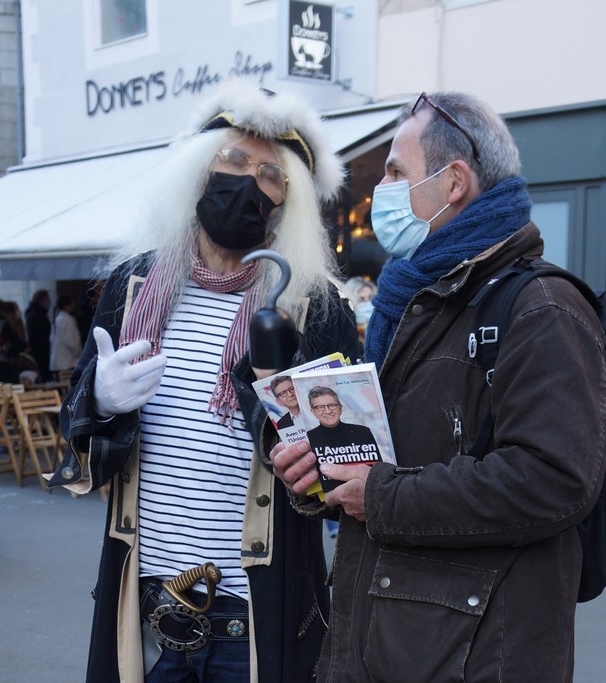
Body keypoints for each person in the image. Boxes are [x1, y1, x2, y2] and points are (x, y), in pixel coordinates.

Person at [272, 91, 606, 682]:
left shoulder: (541, 308)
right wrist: (321, 470)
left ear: (453, 182)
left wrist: (377, 495)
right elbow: (395, 456)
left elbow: (554, 479)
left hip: (471, 655)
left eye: (396, 172)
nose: (382, 190)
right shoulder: (416, 300)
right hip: (397, 640)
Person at [49, 84, 359, 683]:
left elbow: (342, 467)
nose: (248, 181)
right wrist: (100, 402)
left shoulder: (313, 308)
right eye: (235, 161)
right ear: (200, 171)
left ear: (286, 199)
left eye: (271, 174)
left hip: (254, 611)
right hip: (146, 608)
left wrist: (279, 404)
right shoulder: (133, 288)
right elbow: (80, 441)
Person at [304, 386, 379, 459]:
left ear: (340, 408)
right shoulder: (309, 438)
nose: (328, 411)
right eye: (320, 407)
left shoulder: (363, 432)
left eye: (332, 405)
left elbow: (378, 467)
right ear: (313, 412)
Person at [49, 294, 82, 376]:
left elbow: (51, 339)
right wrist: (78, 352)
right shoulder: (69, 320)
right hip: (68, 361)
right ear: (67, 306)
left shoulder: (57, 319)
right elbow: (70, 341)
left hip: (58, 360)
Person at [25, 289, 52, 382]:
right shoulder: (35, 315)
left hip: (42, 350)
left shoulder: (38, 314)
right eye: (47, 299)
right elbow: (35, 336)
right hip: (40, 351)